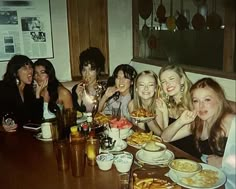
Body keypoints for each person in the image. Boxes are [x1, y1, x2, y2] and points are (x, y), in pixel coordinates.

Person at [166, 78, 235, 188]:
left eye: (207, 100)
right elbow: (166, 138)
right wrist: (180, 121)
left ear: (219, 100)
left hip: (229, 181)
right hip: (206, 177)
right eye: (196, 101)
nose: (201, 106)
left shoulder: (231, 121)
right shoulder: (198, 121)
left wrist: (224, 161)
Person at [158, 64, 200, 157]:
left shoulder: (193, 104)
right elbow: (165, 134)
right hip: (170, 154)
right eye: (163, 81)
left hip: (189, 158)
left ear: (181, 80)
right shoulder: (169, 104)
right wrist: (165, 112)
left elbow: (165, 138)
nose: (167, 84)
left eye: (171, 78)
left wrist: (180, 120)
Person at [0, 55, 44, 132]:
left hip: (23, 135)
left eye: (30, 67)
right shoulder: (3, 88)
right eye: (25, 68)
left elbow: (36, 120)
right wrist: (1, 127)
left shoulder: (28, 90)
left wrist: (37, 95)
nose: (30, 71)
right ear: (15, 72)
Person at [128, 70, 166, 136]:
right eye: (142, 85)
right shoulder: (132, 104)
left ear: (155, 89)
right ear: (136, 88)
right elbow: (138, 132)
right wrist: (140, 120)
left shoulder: (159, 105)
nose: (146, 88)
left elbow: (161, 135)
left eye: (151, 85)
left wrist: (149, 119)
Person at [71, 47, 105, 113]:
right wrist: (79, 99)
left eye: (91, 69)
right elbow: (76, 115)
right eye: (84, 70)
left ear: (98, 71)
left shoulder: (104, 89)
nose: (87, 74)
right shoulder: (76, 89)